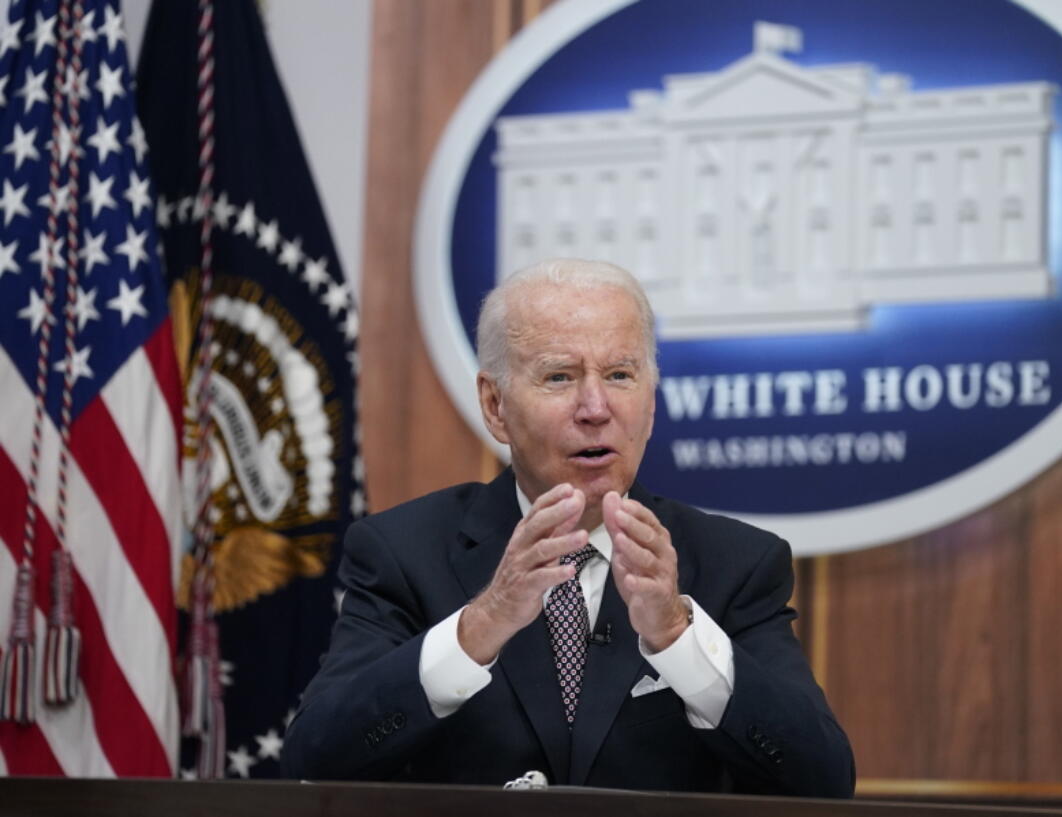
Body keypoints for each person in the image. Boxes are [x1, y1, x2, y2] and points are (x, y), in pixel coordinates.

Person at [281, 259, 854, 796]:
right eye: (559, 377)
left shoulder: (735, 563)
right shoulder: (402, 553)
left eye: (620, 374)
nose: (595, 407)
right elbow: (315, 761)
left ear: (651, 404)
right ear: (495, 404)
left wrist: (678, 639)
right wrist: (482, 624)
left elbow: (822, 778)